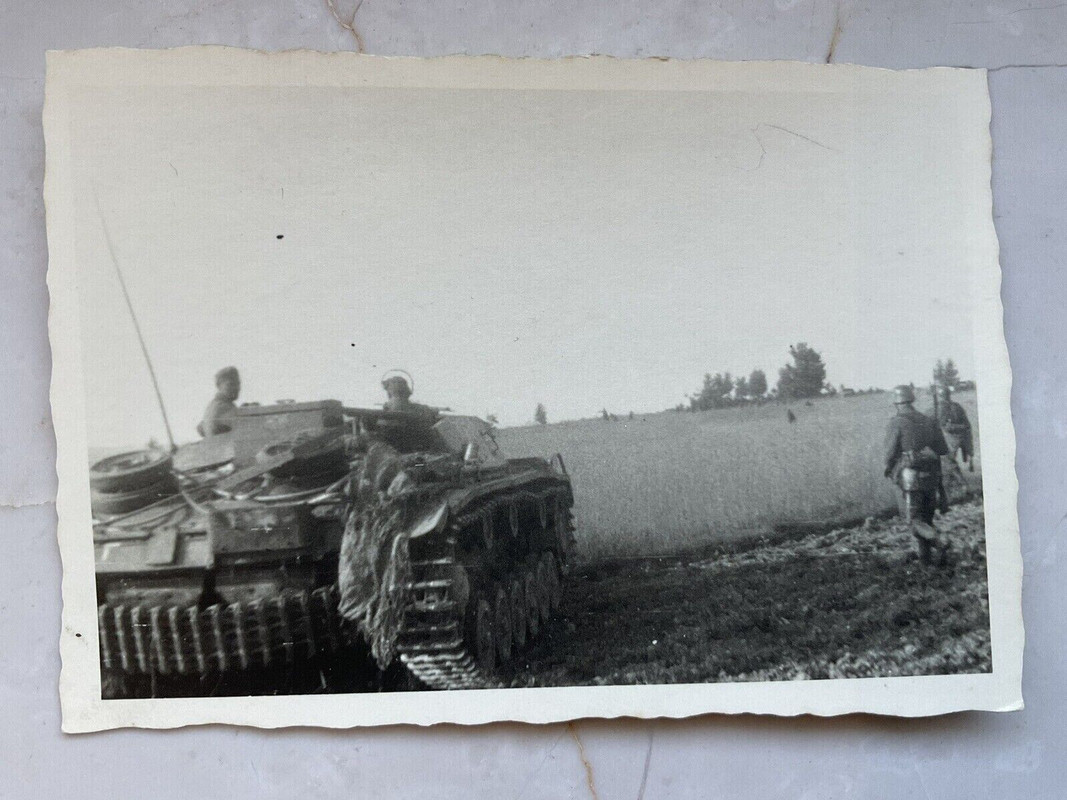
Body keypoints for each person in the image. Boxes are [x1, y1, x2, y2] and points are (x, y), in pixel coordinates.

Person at [883, 385, 949, 565]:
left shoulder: (896, 422)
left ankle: (940, 539)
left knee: (914, 522)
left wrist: (888, 469)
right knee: (925, 520)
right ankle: (925, 560)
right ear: (911, 400)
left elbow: (889, 453)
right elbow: (943, 450)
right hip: (933, 477)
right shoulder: (929, 420)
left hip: (911, 479)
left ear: (897, 403)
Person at [933, 384, 974, 472]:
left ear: (940, 396)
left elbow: (942, 425)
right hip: (962, 435)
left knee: (946, 460)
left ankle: (957, 479)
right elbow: (967, 424)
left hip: (950, 438)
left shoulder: (940, 407)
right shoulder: (957, 406)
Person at [197, 366, 240, 437]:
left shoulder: (211, 406)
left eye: (238, 384)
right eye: (231, 384)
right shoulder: (223, 407)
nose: (237, 388)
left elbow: (200, 427)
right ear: (219, 386)